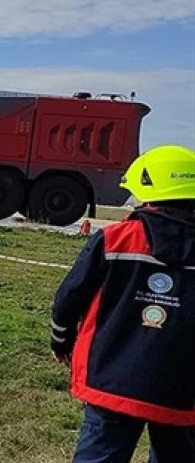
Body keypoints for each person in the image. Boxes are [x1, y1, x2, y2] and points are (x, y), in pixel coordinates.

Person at [51, 144, 195, 462]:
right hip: (183, 387)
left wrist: (61, 340)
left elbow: (69, 298)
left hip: (112, 378)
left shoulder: (115, 239)